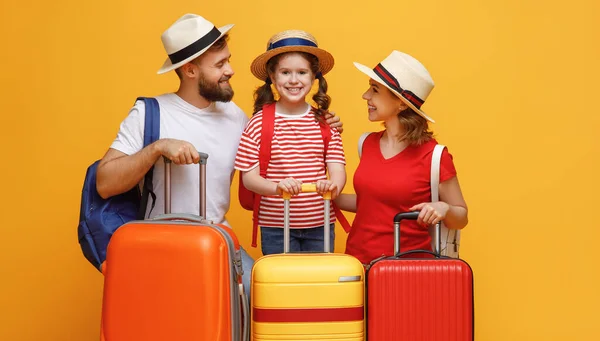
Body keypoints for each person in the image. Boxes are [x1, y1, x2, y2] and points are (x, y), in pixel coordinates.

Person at [94, 15, 343, 297]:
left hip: (218, 242)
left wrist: (324, 124)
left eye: (228, 60)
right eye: (220, 64)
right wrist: (156, 148)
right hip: (163, 244)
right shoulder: (150, 113)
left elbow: (281, 143)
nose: (231, 70)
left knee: (265, 299)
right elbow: (104, 183)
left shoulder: (237, 118)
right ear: (190, 70)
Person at [335, 50, 468, 265]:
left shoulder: (434, 156)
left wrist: (444, 209)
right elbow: (372, 203)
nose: (365, 96)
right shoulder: (366, 143)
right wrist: (330, 196)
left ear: (402, 103)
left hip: (406, 270)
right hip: (358, 264)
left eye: (375, 90)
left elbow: (461, 217)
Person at [234, 30, 346, 255]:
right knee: (281, 284)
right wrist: (277, 187)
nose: (294, 80)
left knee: (319, 282)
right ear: (273, 77)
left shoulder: (326, 123)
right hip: (275, 226)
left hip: (320, 223)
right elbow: (250, 179)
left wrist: (332, 185)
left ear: (314, 77)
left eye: (302, 72)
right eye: (285, 72)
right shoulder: (258, 123)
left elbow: (338, 172)